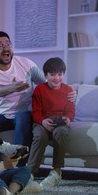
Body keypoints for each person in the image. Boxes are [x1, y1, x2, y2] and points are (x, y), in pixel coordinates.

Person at [0, 31, 76, 165]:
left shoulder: (26, 64)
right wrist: (12, 88)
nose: (6, 48)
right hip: (3, 115)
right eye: (0, 45)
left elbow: (49, 84)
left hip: (27, 113)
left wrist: (69, 92)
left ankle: (19, 167)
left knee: (22, 116)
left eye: (8, 44)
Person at [27, 57, 75, 187]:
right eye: (52, 74)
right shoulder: (39, 90)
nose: (56, 78)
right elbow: (36, 112)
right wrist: (42, 122)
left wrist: (68, 118)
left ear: (63, 75)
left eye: (59, 74)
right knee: (40, 136)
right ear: (45, 75)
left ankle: (56, 172)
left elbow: (70, 111)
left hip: (59, 123)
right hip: (42, 122)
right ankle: (29, 173)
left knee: (61, 132)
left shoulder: (68, 90)